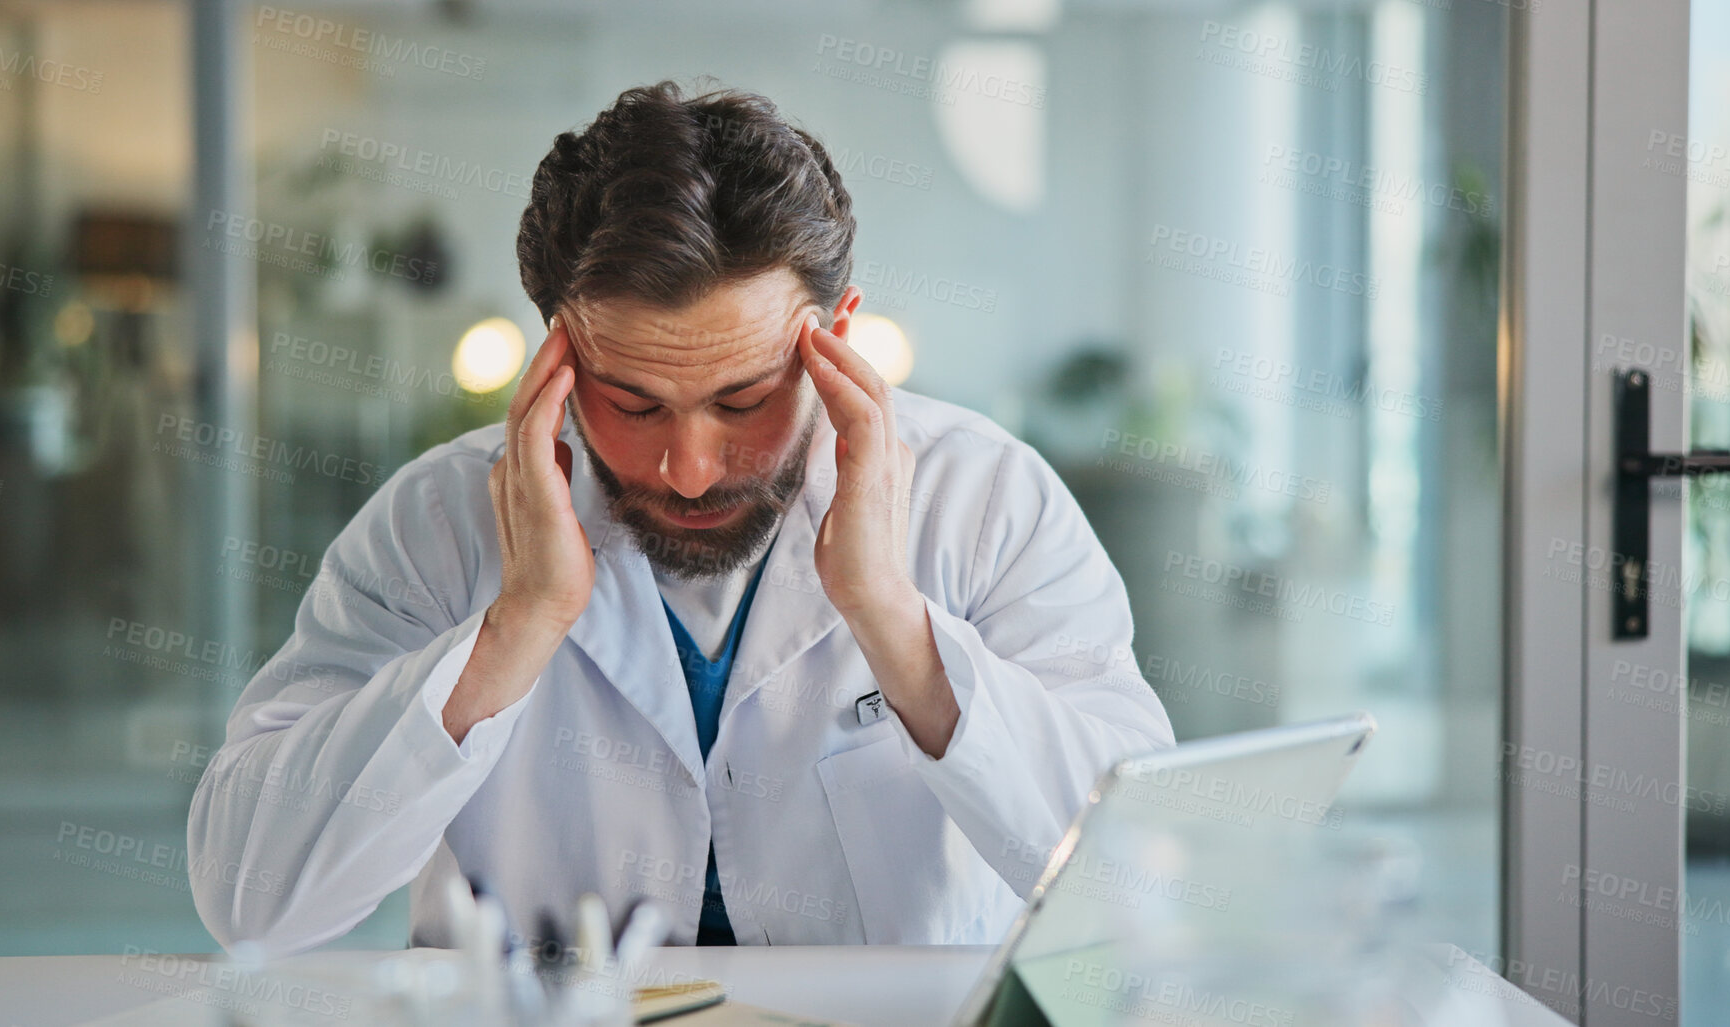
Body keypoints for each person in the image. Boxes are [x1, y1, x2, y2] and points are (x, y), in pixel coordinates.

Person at [187, 80, 1174, 955]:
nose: (691, 471)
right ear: (555, 354)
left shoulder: (987, 500)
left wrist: (892, 621)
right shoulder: (434, 524)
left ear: (837, 338)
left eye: (744, 402)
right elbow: (253, 902)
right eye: (634, 402)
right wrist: (515, 626)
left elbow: (1144, 886)